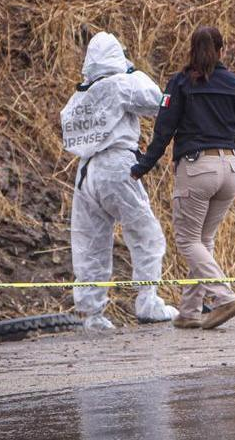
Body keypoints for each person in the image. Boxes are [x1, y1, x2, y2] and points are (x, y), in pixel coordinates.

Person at [131, 26, 235, 330]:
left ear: (191, 50)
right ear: (221, 50)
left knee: (187, 240)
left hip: (197, 168)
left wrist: (142, 166)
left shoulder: (181, 83)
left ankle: (224, 299)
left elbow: (163, 131)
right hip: (231, 169)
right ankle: (188, 311)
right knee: (203, 241)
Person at [60, 32, 178, 331]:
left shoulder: (80, 95)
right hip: (117, 164)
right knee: (145, 233)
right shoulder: (122, 83)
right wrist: (133, 72)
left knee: (89, 242)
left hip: (85, 172)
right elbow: (159, 102)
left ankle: (92, 313)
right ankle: (148, 301)